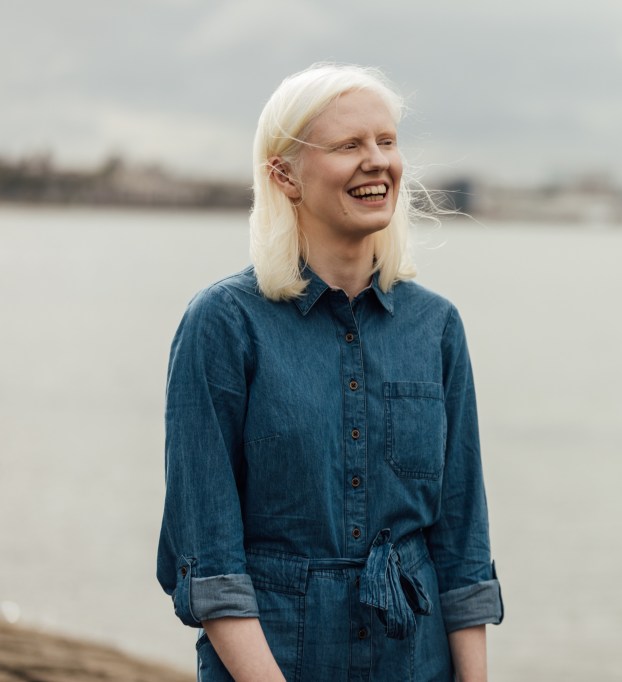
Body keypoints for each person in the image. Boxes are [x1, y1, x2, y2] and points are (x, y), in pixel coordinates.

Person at [157, 63, 503, 681]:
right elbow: (210, 564)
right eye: (349, 146)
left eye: (387, 142)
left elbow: (462, 548)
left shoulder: (437, 327)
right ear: (283, 174)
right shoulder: (223, 324)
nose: (377, 161)